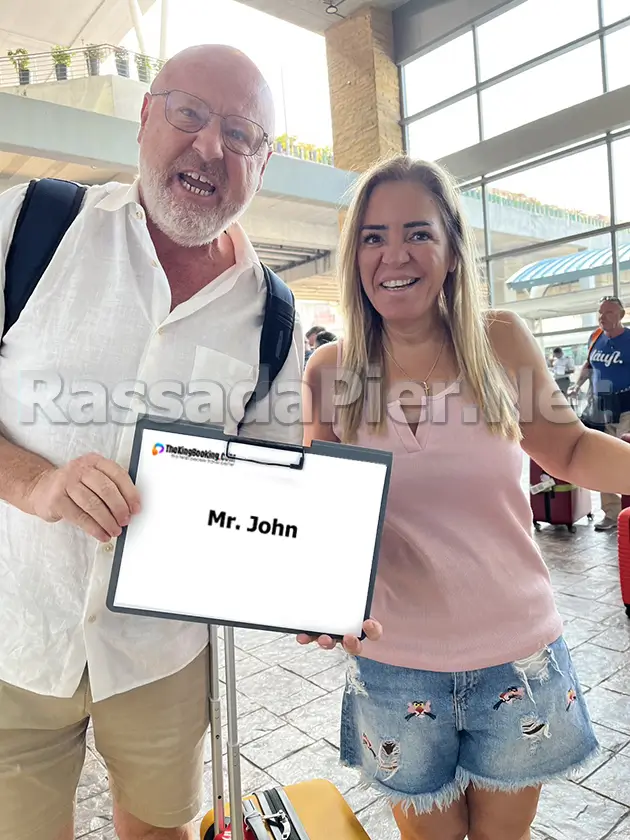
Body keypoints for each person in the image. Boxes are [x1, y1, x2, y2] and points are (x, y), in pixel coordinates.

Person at [0, 45, 311, 840]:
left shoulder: (273, 318)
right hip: (15, 632)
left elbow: (274, 497)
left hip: (163, 658)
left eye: (241, 135)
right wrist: (35, 481)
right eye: (189, 114)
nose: (210, 147)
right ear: (145, 116)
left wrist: (316, 592)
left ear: (262, 166)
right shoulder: (29, 227)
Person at [301, 155, 630, 840]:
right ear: (354, 255)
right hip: (394, 665)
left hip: (519, 656)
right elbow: (317, 512)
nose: (395, 254)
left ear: (452, 250)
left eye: (418, 233)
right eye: (373, 236)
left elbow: (566, 449)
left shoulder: (499, 343)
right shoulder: (330, 373)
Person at [569, 295, 630, 530]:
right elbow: (589, 365)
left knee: (625, 456)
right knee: (605, 458)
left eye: (609, 312)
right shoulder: (595, 337)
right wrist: (578, 384)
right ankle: (612, 513)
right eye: (601, 313)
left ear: (621, 315)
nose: (603, 317)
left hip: (627, 406)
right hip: (602, 407)